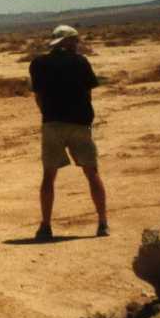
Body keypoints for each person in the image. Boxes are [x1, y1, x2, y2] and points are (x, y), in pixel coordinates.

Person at [28, 25, 108, 241]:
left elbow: (38, 96)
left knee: (49, 175)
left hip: (52, 123)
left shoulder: (38, 63)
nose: (77, 44)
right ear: (67, 42)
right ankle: (102, 223)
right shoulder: (81, 62)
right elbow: (88, 92)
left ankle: (45, 226)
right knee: (92, 172)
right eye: (75, 40)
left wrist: (48, 115)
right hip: (80, 123)